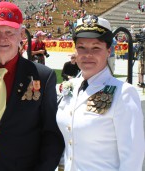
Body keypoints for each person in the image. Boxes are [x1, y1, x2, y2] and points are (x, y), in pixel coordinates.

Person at [0, 2, 64, 171]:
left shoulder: (43, 76)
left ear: (21, 34)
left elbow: (52, 135)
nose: (2, 38)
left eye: (9, 32)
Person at [56, 15, 144, 171]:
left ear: (108, 51)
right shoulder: (71, 87)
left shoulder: (123, 93)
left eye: (96, 47)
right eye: (81, 47)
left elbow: (132, 158)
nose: (87, 54)